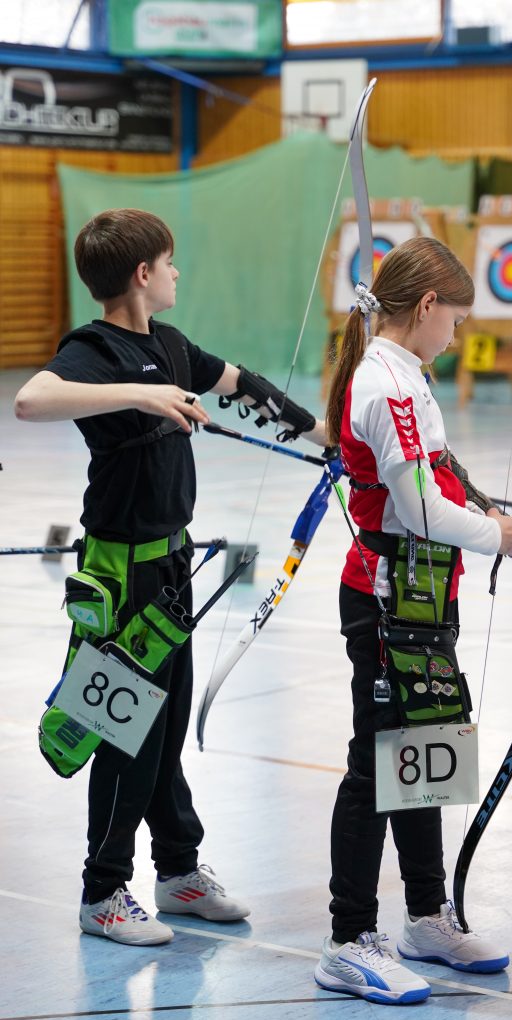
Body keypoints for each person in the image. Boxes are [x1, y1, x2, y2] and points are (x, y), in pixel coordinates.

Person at [14, 208, 327, 946]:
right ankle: (102, 893)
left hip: (171, 566)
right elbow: (31, 400)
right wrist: (140, 394)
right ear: (142, 273)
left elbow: (242, 384)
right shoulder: (94, 350)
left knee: (164, 727)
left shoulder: (172, 344)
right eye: (169, 262)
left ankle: (178, 870)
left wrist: (327, 436)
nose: (177, 272)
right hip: (119, 577)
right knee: (125, 733)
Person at [314, 236, 512, 1005]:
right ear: (427, 305)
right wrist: (501, 537)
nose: (458, 334)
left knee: (423, 750)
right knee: (375, 764)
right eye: (456, 320)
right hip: (384, 599)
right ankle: (347, 940)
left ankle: (426, 917)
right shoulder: (385, 386)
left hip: (423, 596)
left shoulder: (408, 376)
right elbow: (421, 512)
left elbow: (447, 485)